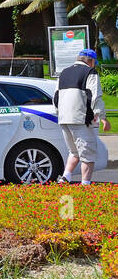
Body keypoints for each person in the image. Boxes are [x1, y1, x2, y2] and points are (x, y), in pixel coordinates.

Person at [56, 48, 109, 185]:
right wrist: (102, 117)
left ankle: (65, 178)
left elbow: (56, 97)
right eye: (94, 62)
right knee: (88, 155)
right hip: (81, 119)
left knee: (74, 152)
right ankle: (85, 185)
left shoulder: (64, 73)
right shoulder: (90, 72)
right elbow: (95, 96)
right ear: (91, 61)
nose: (95, 65)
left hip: (64, 119)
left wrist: (60, 113)